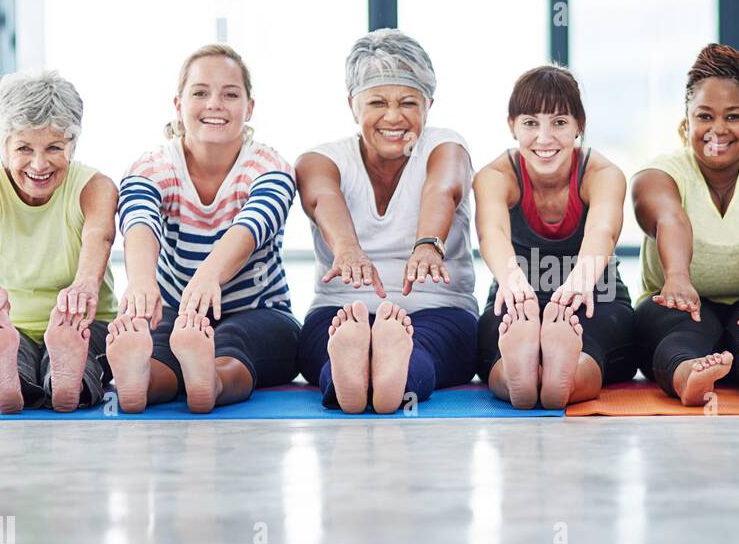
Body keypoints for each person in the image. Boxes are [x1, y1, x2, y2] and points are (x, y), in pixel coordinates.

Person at [106, 44, 301, 413]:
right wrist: (143, 280)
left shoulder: (269, 165)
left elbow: (255, 223)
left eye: (230, 94)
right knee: (162, 345)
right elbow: (138, 219)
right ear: (178, 105)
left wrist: (209, 274)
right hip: (177, 314)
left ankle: (209, 380)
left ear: (249, 108)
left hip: (259, 312)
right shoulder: (153, 165)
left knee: (234, 340)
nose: (215, 103)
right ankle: (141, 381)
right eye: (200, 93)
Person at [295, 29, 477, 414]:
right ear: (352, 104)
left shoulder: (446, 146)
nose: (393, 117)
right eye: (377, 101)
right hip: (341, 309)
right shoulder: (320, 159)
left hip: (439, 308)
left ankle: (381, 374)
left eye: (408, 102)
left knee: (426, 347)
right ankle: (353, 372)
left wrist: (428, 244)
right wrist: (347, 250)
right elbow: (322, 196)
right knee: (332, 343)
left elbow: (443, 188)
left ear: (429, 103)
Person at [631, 43, 739, 407]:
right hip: (680, 306)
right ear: (686, 123)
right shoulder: (657, 174)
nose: (718, 129)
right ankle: (687, 375)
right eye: (704, 116)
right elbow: (670, 218)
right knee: (677, 328)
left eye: (732, 117)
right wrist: (678, 278)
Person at [0, 69, 117, 413]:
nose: (39, 164)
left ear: (72, 144)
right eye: (24, 148)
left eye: (54, 147)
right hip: (3, 325)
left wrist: (85, 286)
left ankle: (65, 380)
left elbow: (99, 236)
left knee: (85, 357)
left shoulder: (95, 187)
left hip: (82, 322)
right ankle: (10, 381)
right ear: (3, 144)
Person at [473, 65, 636, 408]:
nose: (544, 138)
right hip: (517, 302)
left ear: (579, 125)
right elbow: (492, 232)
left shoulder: (603, 174)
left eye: (559, 122)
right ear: (512, 126)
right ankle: (524, 376)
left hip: (594, 299)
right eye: (531, 123)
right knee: (502, 341)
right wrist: (512, 280)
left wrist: (579, 282)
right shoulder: (495, 176)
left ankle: (555, 379)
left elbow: (602, 231)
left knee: (593, 348)